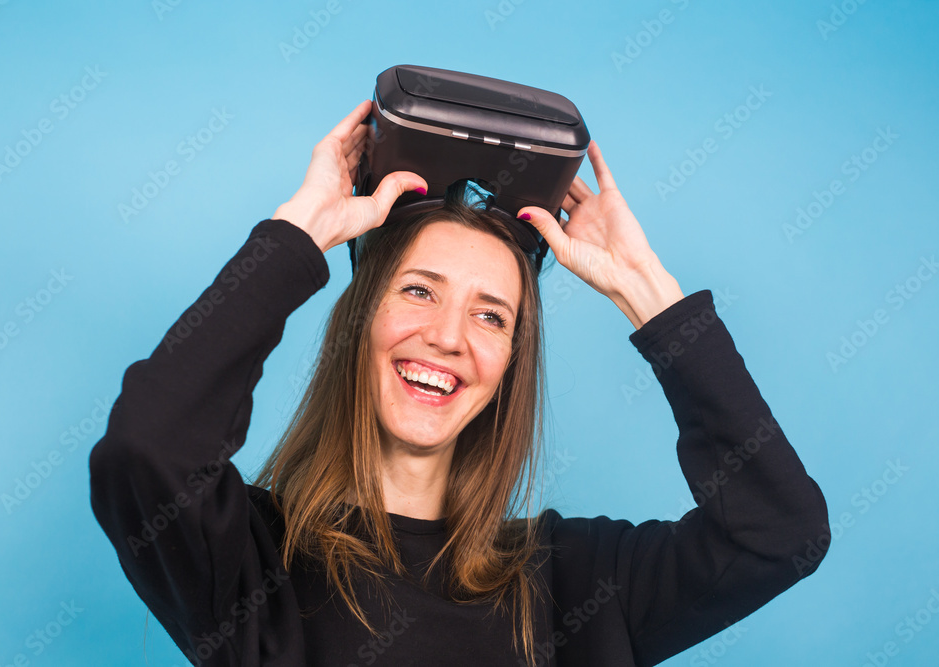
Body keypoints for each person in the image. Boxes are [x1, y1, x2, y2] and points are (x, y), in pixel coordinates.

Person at [88, 99, 830, 666]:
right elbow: (147, 445)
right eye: (419, 290)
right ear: (361, 320)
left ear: (509, 362)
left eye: (490, 315)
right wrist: (299, 234)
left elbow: (778, 533)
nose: (448, 336)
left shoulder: (571, 583)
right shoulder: (254, 561)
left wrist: (648, 292)